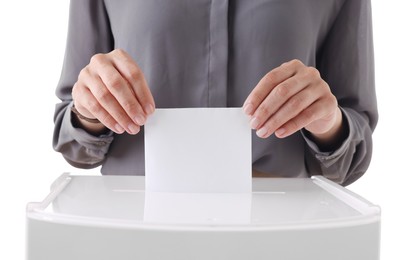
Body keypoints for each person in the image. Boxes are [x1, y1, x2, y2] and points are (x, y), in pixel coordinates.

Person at [53, 0, 377, 186]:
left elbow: (350, 158)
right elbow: (73, 143)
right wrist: (90, 112)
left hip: (276, 232)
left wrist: (327, 123)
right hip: (136, 228)